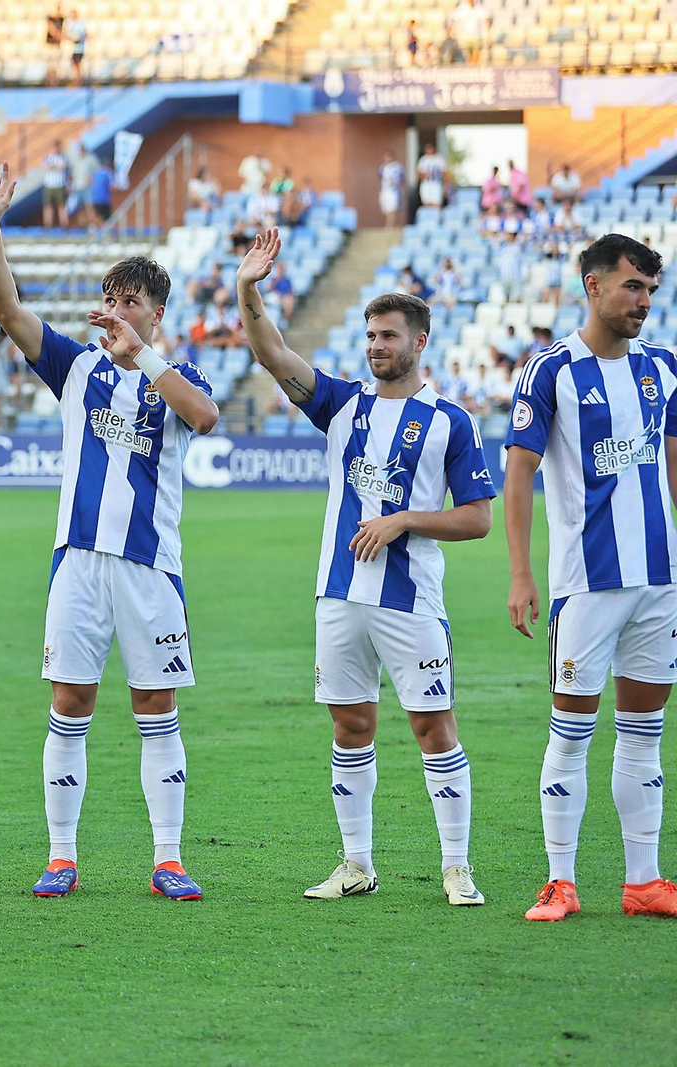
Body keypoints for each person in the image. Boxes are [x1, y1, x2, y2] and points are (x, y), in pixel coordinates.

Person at [0, 158, 221, 901]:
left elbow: (203, 418)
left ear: (156, 313)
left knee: (156, 707)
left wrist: (141, 354)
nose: (114, 309)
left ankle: (169, 858)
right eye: (108, 298)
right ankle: (60, 854)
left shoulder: (179, 376)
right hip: (79, 563)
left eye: (131, 300)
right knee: (70, 704)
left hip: (150, 568)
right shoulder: (77, 368)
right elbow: (6, 307)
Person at [237, 229, 496, 906]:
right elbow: (273, 355)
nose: (377, 345)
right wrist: (248, 288)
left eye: (389, 335)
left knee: (431, 727)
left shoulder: (450, 422)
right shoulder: (341, 405)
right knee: (350, 726)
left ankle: (457, 866)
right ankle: (355, 864)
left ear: (419, 342)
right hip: (339, 595)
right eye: (371, 334)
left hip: (411, 601)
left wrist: (405, 518)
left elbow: (478, 517)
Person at [504, 233, 677, 921]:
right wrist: (521, 572)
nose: (643, 301)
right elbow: (519, 476)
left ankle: (645, 881)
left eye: (650, 290)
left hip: (658, 583)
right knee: (570, 732)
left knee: (644, 733)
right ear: (594, 286)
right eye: (632, 286)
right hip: (586, 583)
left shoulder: (662, 369)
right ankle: (560, 880)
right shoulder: (550, 372)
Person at [41, 143, 70, 229]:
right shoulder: (48, 157)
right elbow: (45, 167)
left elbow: (62, 167)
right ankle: (47, 225)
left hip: (60, 185)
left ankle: (64, 225)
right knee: (48, 206)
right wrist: (55, 166)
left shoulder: (63, 157)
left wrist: (52, 166)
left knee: (61, 206)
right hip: (49, 185)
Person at [452, 0, 490, 65]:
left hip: (477, 36)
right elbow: (454, 19)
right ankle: (471, 70)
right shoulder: (462, 8)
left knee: (476, 54)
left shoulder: (480, 8)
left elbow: (486, 20)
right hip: (465, 37)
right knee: (468, 57)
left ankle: (474, 69)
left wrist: (487, 30)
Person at [417, 143, 447, 211]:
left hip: (436, 183)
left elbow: (444, 172)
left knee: (437, 202)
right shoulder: (423, 160)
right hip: (426, 184)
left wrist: (446, 185)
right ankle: (428, 218)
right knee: (426, 202)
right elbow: (419, 174)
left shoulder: (439, 159)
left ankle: (437, 218)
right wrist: (426, 175)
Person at [379, 152, 406, 227]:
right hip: (385, 190)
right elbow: (380, 177)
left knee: (393, 208)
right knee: (386, 208)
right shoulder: (383, 167)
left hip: (394, 191)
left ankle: (390, 224)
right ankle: (390, 223)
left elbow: (402, 178)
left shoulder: (397, 167)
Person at [67, 9, 87, 85]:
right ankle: (77, 81)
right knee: (74, 66)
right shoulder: (70, 24)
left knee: (78, 65)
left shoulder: (80, 24)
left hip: (79, 48)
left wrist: (77, 38)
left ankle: (79, 82)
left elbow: (84, 34)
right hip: (73, 48)